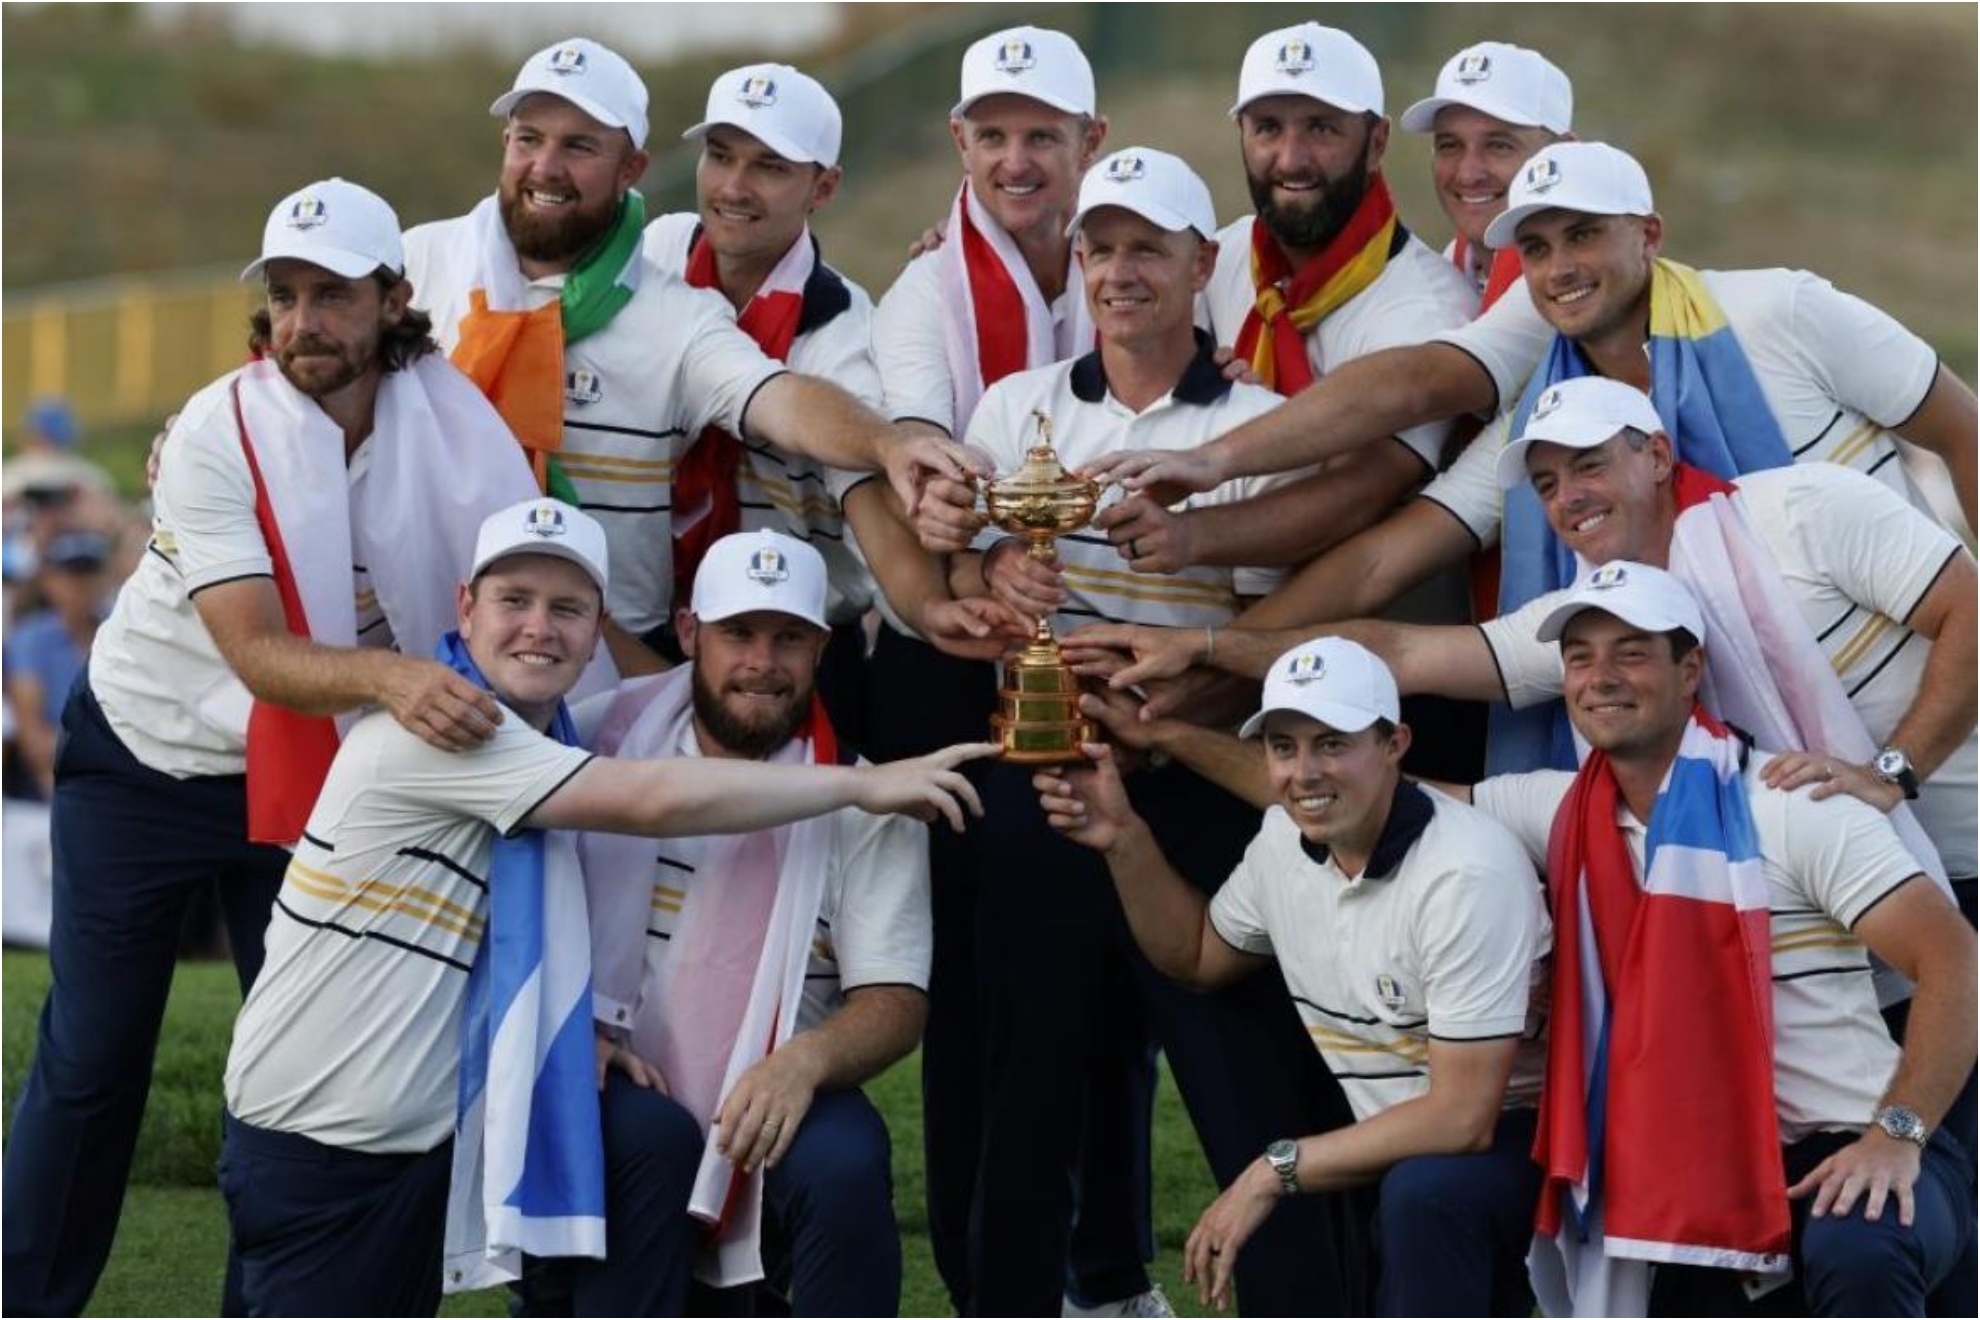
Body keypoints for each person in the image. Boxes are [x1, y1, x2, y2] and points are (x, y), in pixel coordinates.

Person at [217, 500, 990, 1316]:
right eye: (515, 601)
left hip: (410, 1134)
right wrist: (864, 785)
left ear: (596, 632)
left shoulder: (557, 739)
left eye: (567, 609)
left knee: (831, 1156)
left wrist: (588, 1025)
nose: (540, 629)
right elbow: (653, 798)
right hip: (327, 1134)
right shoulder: (471, 736)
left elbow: (894, 1000)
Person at [0, 178, 541, 1315]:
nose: (303, 320)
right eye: (285, 294)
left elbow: (518, 597)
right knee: (94, 1061)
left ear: (394, 299)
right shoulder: (214, 427)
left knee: (308, 1072)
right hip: (143, 761)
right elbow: (255, 653)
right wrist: (399, 677)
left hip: (318, 777)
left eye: (332, 294)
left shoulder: (460, 431)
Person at [929, 145, 1364, 1317]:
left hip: (1202, 782)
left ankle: (1297, 1301)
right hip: (1049, 771)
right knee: (1031, 1076)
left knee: (1240, 1074)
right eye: (1102, 248)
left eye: (1148, 250)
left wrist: (1184, 702)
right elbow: (962, 554)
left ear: (1201, 265)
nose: (1121, 272)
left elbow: (1289, 616)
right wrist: (992, 562)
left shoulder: (1269, 424)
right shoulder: (1016, 408)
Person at [1085, 139, 1978, 586]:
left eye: (1583, 234)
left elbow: (1964, 432)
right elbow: (1388, 558)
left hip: (1937, 723)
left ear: (1650, 235)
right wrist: (1211, 659)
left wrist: (1211, 464)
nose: (1560, 267)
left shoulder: (1782, 305)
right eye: (1539, 246)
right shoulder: (1544, 409)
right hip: (1783, 758)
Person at [1455, 566, 1976, 1316]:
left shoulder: (1794, 803)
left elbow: (1956, 958)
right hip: (1693, 1167)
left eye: (1630, 652)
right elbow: (1374, 796)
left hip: (1852, 1140)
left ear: (1690, 668)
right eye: (1579, 657)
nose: (1600, 678)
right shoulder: (1561, 810)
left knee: (1855, 1242)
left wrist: (1897, 1134)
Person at [862, 27, 1153, 1317]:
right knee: (983, 983)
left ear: (1094, 142)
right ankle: (992, 1276)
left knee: (1121, 971)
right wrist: (963, 557)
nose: (1017, 160)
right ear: (959, 146)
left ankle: (1110, 1265)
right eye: (993, 135)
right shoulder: (925, 291)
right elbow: (916, 441)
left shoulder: (1141, 260)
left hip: (1121, 652)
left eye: (1044, 135)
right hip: (958, 658)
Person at [403, 36, 972, 666]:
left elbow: (796, 417)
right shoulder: (646, 252)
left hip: (761, 637)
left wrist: (891, 455)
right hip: (456, 619)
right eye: (528, 138)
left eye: (771, 166)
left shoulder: (819, 329)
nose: (733, 186)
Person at [1036, 637, 1549, 1315]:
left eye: (1332, 743)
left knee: (1422, 1193)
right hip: (1403, 1132)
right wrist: (1124, 837)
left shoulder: (1465, 872)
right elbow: (1196, 954)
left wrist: (1274, 1170)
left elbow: (1464, 1119)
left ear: (1395, 744)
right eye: (1283, 746)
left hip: (1534, 1135)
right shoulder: (1284, 839)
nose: (1303, 772)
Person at [536, 530, 931, 1314]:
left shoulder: (869, 796)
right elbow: (512, 919)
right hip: (611, 1074)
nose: (762, 662)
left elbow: (897, 1000)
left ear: (821, 649)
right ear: (689, 634)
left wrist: (805, 1062)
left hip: (772, 1086)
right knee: (648, 1136)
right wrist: (569, 1024)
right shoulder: (593, 742)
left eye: (789, 638)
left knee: (844, 1158)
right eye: (738, 634)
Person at [1400, 41, 1573, 308]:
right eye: (1450, 145)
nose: (1468, 174)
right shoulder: (1453, 265)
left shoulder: (1579, 281)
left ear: (1563, 152)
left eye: (1499, 146)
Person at [3, 530, 114, 800]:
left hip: (111, 782)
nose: (82, 583)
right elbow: (34, 739)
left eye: (90, 571)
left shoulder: (121, 631)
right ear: (50, 581)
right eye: (71, 573)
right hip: (53, 788)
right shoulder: (30, 638)